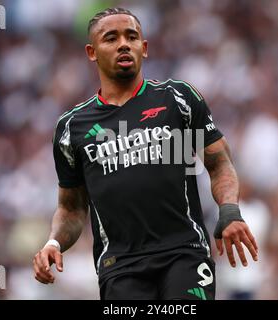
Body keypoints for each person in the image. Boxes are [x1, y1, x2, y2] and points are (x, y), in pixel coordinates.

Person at [33, 7, 258, 300]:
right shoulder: (72, 127)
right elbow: (72, 209)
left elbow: (219, 164)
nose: (124, 44)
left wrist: (229, 210)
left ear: (145, 47)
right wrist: (54, 243)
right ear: (92, 52)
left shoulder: (178, 98)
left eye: (132, 36)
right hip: (120, 267)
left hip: (184, 254)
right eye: (111, 38)